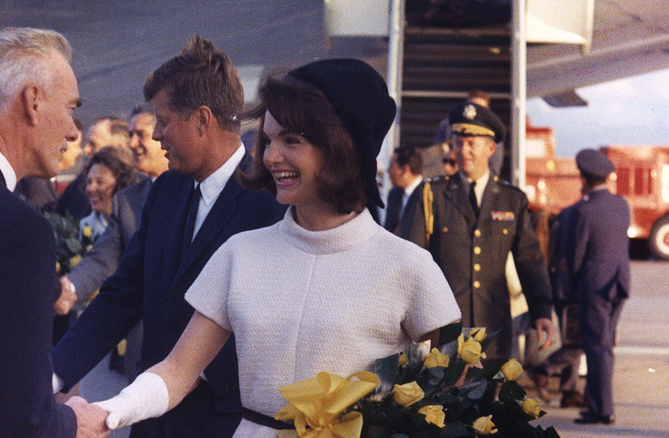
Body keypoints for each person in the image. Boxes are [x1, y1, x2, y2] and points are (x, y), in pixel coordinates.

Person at [91, 58, 461, 438]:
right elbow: (176, 372)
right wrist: (108, 412)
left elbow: (452, 390)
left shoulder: (407, 266)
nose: (269, 156)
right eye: (268, 139)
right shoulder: (240, 254)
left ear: (341, 147)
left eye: (292, 140)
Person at [51, 36, 285, 438]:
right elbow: (122, 295)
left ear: (202, 119)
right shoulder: (165, 191)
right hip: (152, 424)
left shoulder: (270, 206)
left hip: (224, 425)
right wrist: (51, 376)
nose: (157, 135)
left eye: (163, 121)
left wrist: (186, 374)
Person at [0, 26, 107, 438]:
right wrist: (73, 423)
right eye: (70, 108)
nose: (73, 132)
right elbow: (15, 420)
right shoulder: (16, 229)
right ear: (32, 101)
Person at [407, 101, 554, 360]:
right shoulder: (430, 195)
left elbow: (529, 260)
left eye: (471, 144)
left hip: (493, 333)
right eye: (458, 143)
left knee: (488, 399)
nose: (463, 151)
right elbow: (410, 261)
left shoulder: (512, 200)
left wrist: (541, 310)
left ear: (490, 149)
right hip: (443, 331)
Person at [57, 105, 169, 377]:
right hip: (141, 355)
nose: (132, 144)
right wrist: (68, 288)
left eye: (140, 135)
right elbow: (103, 257)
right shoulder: (129, 201)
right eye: (129, 134)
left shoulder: (195, 191)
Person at [568, 149, 630, 425]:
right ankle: (598, 404)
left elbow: (576, 257)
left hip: (593, 287)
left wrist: (570, 284)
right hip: (618, 283)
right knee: (604, 346)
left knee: (596, 347)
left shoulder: (584, 210)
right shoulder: (621, 205)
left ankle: (602, 409)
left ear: (584, 178)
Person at [532, 198, 586, 409]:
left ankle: (570, 391)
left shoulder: (561, 222)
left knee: (572, 340)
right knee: (577, 343)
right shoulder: (572, 223)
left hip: (561, 289)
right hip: (571, 291)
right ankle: (545, 368)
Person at [58, 116, 130, 221]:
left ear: (119, 147)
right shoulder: (79, 184)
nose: (86, 150)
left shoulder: (137, 192)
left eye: (93, 144)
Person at [79, 146, 142, 238]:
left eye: (100, 182)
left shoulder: (137, 224)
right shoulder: (86, 224)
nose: (91, 189)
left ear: (121, 183)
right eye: (89, 182)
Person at [384, 145, 423, 236]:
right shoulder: (394, 195)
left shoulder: (429, 194)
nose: (388, 171)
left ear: (405, 170)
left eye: (391, 167)